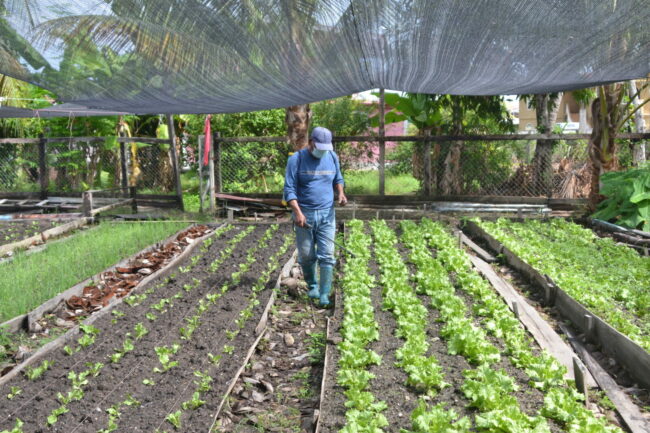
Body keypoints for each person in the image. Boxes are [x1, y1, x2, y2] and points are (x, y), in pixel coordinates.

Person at [284, 126, 347, 307]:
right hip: (305, 215)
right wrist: (297, 212)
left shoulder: (332, 157)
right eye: (320, 147)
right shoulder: (296, 159)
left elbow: (338, 179)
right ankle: (313, 285)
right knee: (306, 255)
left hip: (327, 214)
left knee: (327, 255)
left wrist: (341, 193)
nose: (323, 151)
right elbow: (289, 189)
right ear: (311, 142)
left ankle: (325, 293)